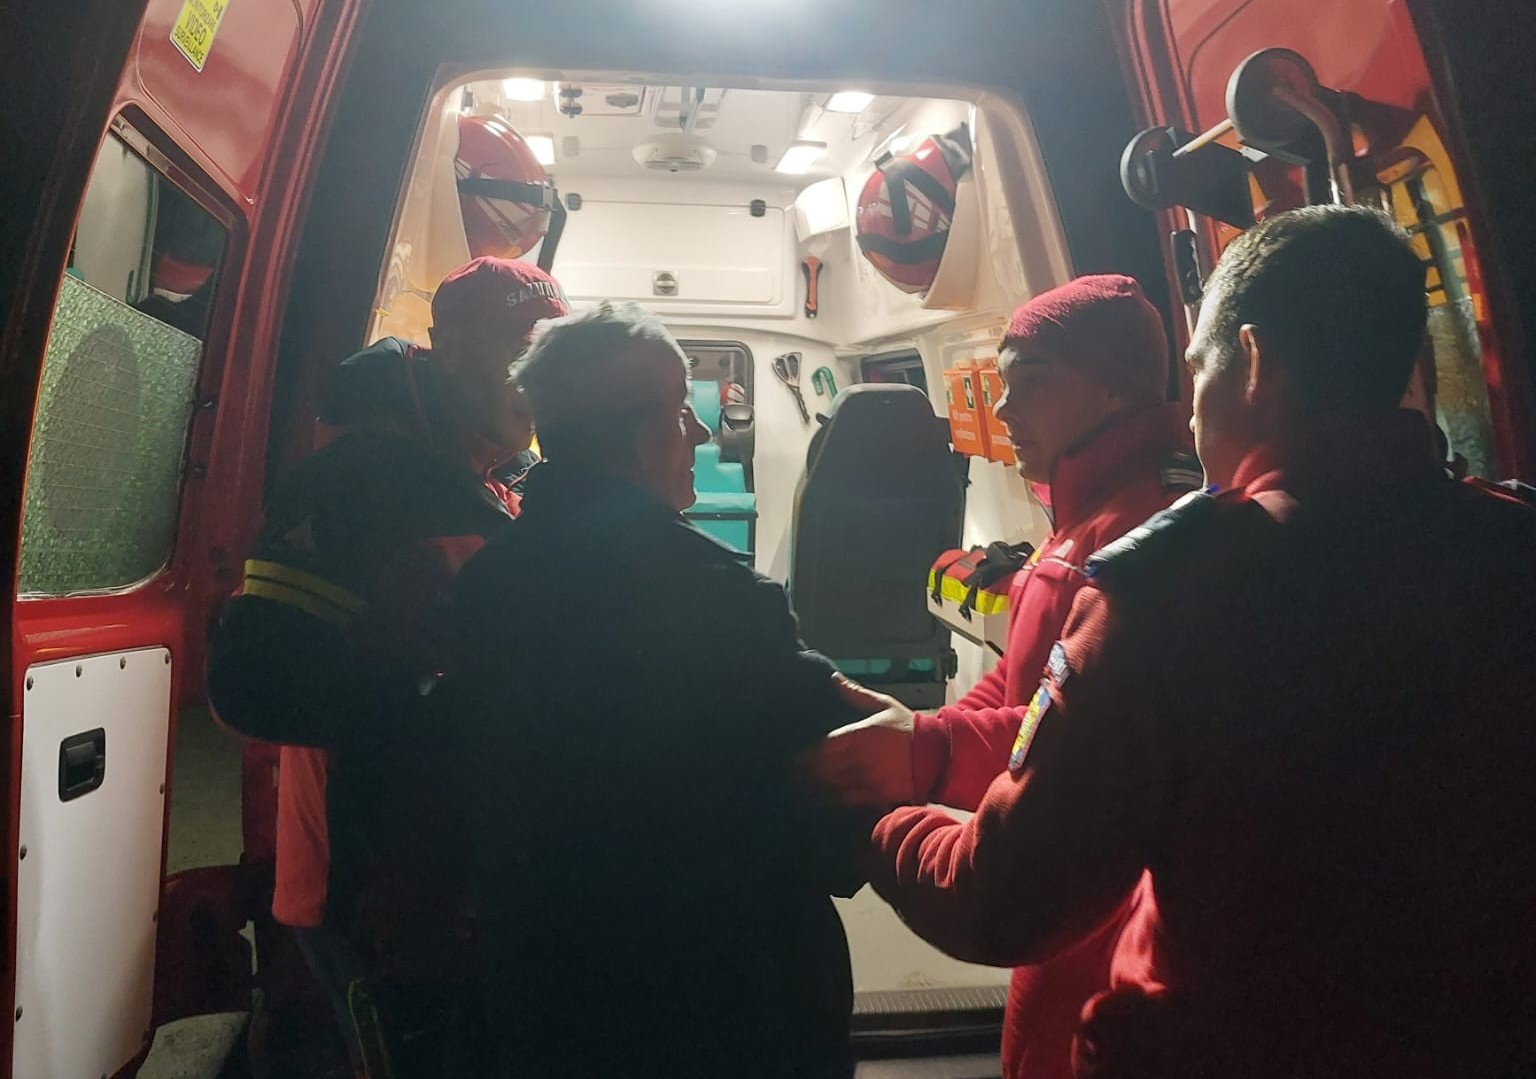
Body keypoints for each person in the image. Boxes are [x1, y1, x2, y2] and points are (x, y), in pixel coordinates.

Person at [836, 205, 1536, 1076]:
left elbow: (1008, 897)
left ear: (1253, 361)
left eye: (1199, 369)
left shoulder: (1169, 593)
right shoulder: (1512, 547)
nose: (1191, 412)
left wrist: (878, 819)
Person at [448, 302, 873, 1079]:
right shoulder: (721, 598)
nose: (701, 432)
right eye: (682, 411)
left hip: (543, 983)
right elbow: (829, 779)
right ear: (643, 437)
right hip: (719, 997)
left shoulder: (485, 583)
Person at [815, 274, 1195, 1079]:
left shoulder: (1137, 536)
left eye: (1034, 382)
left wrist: (922, 751)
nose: (1005, 407)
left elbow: (1071, 734)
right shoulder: (1077, 520)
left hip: (1100, 922)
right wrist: (914, 725)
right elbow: (1026, 689)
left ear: (1114, 386)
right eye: (1001, 383)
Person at [206, 257, 569, 1076]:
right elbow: (250, 681)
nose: (536, 379)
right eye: (518, 352)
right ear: (447, 347)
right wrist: (455, 710)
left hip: (441, 879)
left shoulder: (489, 477)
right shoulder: (358, 478)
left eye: (550, 356)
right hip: (365, 883)